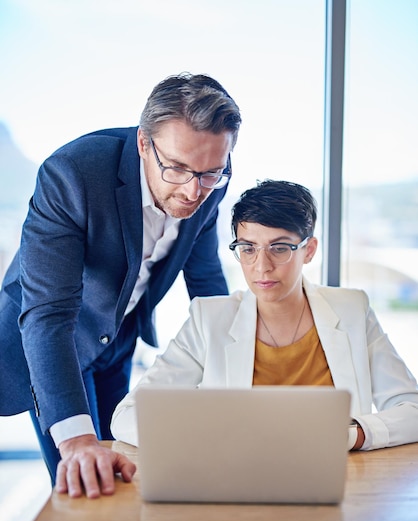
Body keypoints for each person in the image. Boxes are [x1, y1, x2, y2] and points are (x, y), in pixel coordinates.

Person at [0, 72, 242, 498]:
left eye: (209, 174)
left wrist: (239, 367)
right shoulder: (73, 174)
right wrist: (76, 440)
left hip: (120, 336)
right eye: (178, 169)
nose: (193, 190)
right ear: (144, 143)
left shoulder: (209, 172)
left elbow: (204, 276)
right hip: (57, 342)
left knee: (128, 471)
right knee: (87, 480)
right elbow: (49, 312)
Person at [111, 179, 418, 451]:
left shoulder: (352, 310)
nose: (262, 266)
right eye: (248, 248)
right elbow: (127, 417)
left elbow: (412, 410)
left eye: (280, 248)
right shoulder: (210, 320)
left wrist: (354, 435)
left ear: (308, 250)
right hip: (240, 486)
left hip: (341, 485)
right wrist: (209, 438)